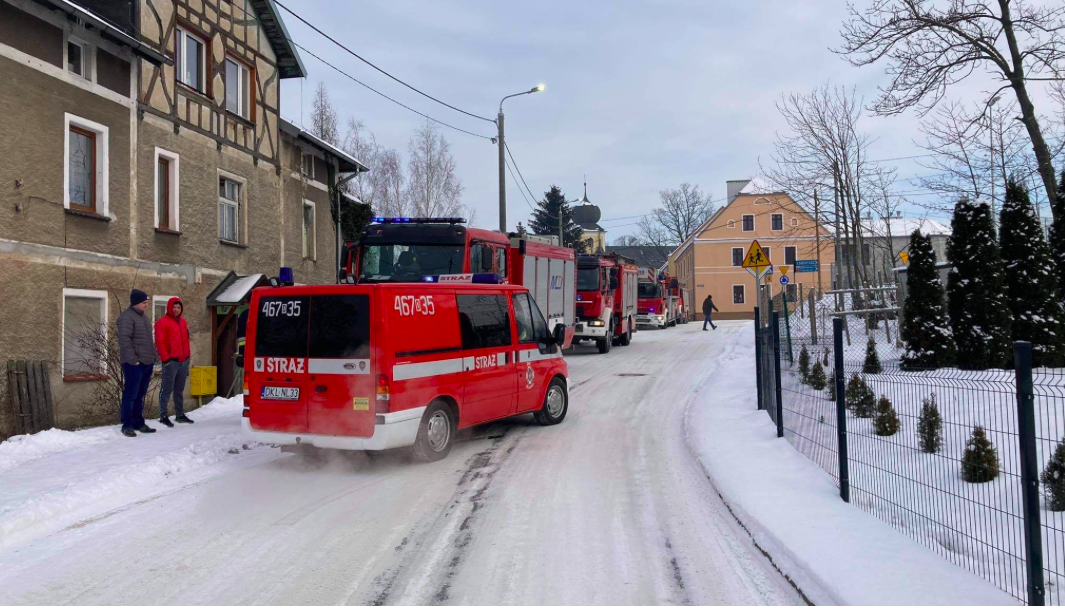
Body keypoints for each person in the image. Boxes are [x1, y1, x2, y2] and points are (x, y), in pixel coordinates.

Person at [117, 289, 157, 437]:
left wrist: (152, 358)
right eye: (144, 302)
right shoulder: (126, 318)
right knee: (131, 395)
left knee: (140, 395)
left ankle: (139, 422)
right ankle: (127, 425)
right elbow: (124, 341)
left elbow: (147, 341)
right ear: (136, 303)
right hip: (134, 364)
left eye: (147, 302)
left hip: (147, 362)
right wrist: (134, 360)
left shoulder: (144, 318)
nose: (146, 305)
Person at [155, 297, 194, 426]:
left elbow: (186, 340)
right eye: (174, 307)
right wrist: (166, 360)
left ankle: (180, 414)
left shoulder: (183, 322)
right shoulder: (162, 322)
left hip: (183, 361)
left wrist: (187, 358)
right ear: (169, 307)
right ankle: (163, 415)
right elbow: (159, 342)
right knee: (167, 388)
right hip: (171, 361)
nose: (176, 309)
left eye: (178, 307)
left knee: (179, 389)